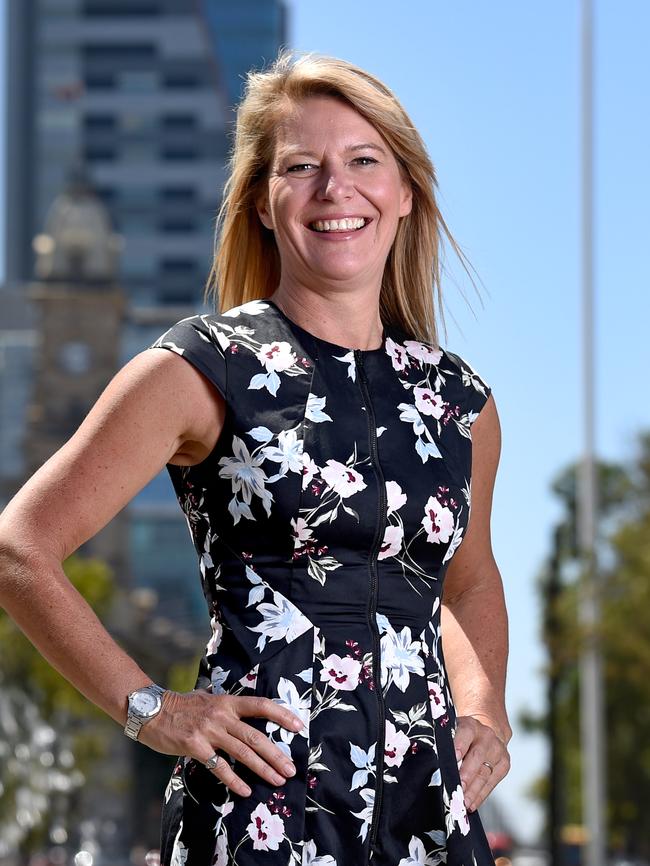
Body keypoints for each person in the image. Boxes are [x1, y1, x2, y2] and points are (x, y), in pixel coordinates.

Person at [0, 49, 511, 866]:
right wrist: (152, 709)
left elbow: (471, 580)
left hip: (429, 815)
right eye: (301, 166)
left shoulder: (461, 402)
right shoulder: (202, 366)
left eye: (363, 161)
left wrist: (486, 710)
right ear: (263, 204)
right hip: (262, 812)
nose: (334, 189)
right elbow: (18, 547)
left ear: (405, 192)